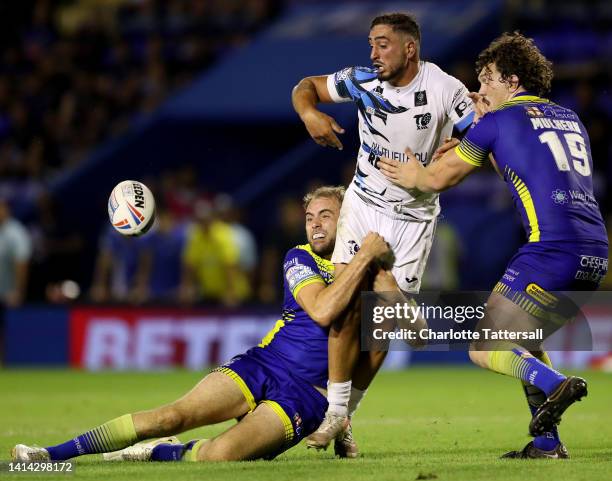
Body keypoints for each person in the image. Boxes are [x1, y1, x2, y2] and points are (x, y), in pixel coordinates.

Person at [12, 186, 395, 463]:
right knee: (170, 416)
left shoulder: (371, 271)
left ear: (345, 218)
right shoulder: (299, 258)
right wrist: (366, 260)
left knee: (219, 457)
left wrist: (389, 283)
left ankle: (159, 453)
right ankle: (46, 454)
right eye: (309, 217)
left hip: (307, 396)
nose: (314, 224)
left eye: (325, 216)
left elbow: (409, 331)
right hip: (265, 364)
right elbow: (324, 311)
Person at [378, 32, 608, 459]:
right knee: (528, 342)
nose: (479, 89)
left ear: (513, 81)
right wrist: (479, 138)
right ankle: (546, 444)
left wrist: (412, 170)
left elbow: (434, 180)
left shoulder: (496, 124)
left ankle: (557, 384)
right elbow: (522, 166)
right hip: (594, 252)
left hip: (550, 252)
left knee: (484, 347)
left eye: (487, 80)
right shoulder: (569, 118)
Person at [291, 12, 474, 447]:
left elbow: (484, 138)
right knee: (346, 305)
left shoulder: (446, 89)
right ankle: (335, 414)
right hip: (363, 203)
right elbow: (307, 86)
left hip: (412, 218)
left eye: (383, 44)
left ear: (410, 48)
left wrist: (454, 153)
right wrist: (308, 114)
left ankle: (347, 411)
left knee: (383, 329)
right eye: (371, 44)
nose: (373, 53)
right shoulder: (361, 79)